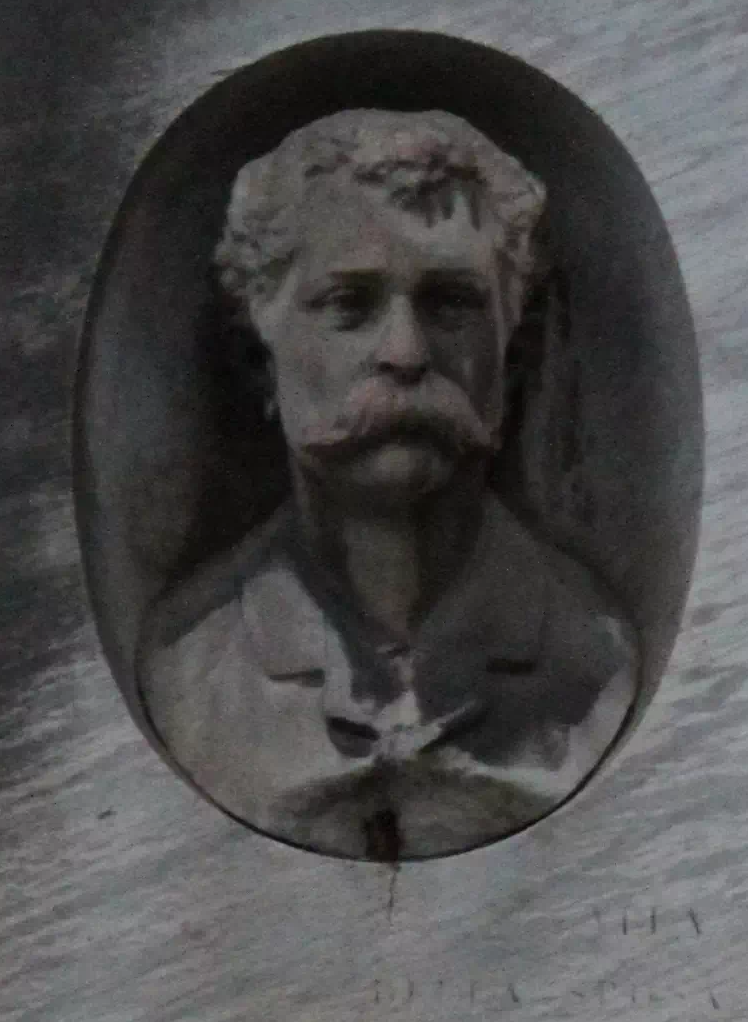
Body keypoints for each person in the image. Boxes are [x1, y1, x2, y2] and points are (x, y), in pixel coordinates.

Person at [140, 105, 638, 859]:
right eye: (350, 305)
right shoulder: (191, 670)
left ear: (514, 349)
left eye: (450, 304)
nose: (405, 353)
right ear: (257, 355)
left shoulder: (596, 662)